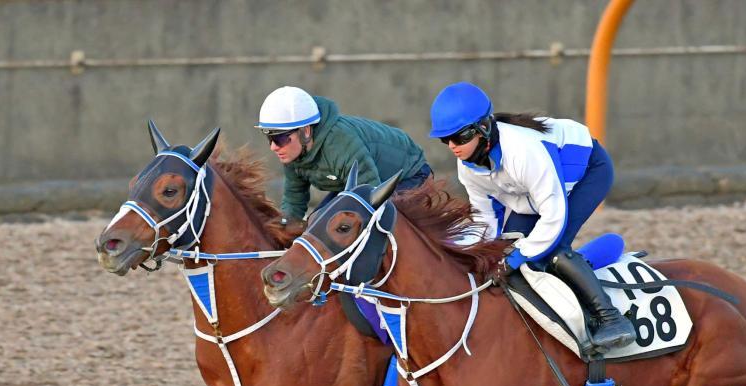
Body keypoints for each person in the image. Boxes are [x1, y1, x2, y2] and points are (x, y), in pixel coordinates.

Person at [428, 81, 636, 352]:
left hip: (588, 173)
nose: (453, 146)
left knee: (552, 250)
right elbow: (484, 219)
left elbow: (553, 217)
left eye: (460, 137)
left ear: (483, 128)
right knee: (511, 252)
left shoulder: (524, 151)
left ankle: (610, 318)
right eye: (446, 140)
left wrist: (519, 255)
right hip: (532, 195)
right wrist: (476, 252)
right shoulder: (467, 166)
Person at [257, 86, 432, 220]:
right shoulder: (292, 152)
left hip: (410, 176)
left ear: (306, 131)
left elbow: (370, 200)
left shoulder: (340, 144)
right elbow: (294, 200)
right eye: (269, 138)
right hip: (362, 185)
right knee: (315, 223)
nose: (273, 147)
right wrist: (283, 231)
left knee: (364, 224)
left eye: (279, 138)